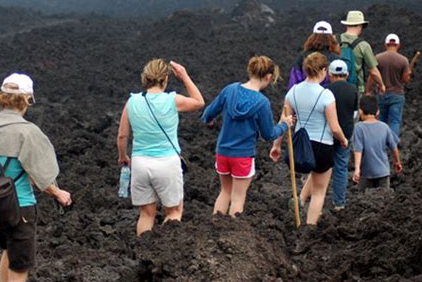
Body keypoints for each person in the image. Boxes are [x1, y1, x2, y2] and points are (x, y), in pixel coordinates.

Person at [0, 73, 71, 282]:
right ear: (27, 100)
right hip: (20, 209)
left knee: (7, 250)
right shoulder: (29, 132)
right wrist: (58, 193)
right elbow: (41, 178)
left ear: (1, 98)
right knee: (19, 273)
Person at [117, 59, 204, 237]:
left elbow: (122, 136)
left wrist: (123, 156)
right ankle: (166, 252)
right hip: (167, 164)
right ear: (165, 78)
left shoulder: (132, 102)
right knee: (173, 212)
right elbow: (199, 102)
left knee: (146, 215)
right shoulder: (173, 100)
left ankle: (144, 252)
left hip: (140, 164)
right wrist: (184, 76)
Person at [201, 56, 294, 217]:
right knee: (238, 198)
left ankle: (215, 226)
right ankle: (234, 235)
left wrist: (209, 120)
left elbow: (207, 115)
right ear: (268, 77)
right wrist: (284, 125)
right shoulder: (262, 103)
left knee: (224, 192)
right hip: (242, 156)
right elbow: (268, 135)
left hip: (222, 152)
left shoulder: (230, 90)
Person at [270, 53, 348, 225]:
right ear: (323, 70)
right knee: (319, 192)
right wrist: (343, 140)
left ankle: (300, 208)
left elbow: (284, 121)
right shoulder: (326, 95)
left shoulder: (293, 92)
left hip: (300, 146)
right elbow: (334, 127)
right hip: (322, 146)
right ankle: (310, 227)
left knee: (312, 179)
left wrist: (276, 145)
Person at [325, 59, 358, 211]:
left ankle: (315, 197)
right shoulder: (353, 90)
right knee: (341, 168)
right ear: (347, 74)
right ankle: (339, 203)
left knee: (322, 167)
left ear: (329, 74)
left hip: (327, 134)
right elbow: (355, 113)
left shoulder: (325, 90)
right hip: (346, 133)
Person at [366, 33, 411, 140]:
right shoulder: (403, 60)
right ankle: (392, 145)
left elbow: (373, 75)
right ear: (398, 45)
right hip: (397, 95)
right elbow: (405, 80)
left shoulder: (378, 58)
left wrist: (367, 91)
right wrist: (408, 74)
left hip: (382, 94)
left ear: (386, 45)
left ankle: (380, 144)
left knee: (381, 120)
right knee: (394, 121)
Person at [353, 95, 402, 191]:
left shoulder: (359, 127)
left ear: (360, 111)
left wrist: (357, 169)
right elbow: (394, 147)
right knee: (385, 199)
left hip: (366, 173)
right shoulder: (384, 127)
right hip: (383, 172)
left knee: (364, 200)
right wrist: (397, 162)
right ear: (378, 112)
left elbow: (358, 149)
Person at [340, 10, 385, 95]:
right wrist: (381, 84)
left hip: (334, 87)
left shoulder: (334, 40)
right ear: (360, 25)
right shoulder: (363, 45)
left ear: (347, 24)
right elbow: (373, 71)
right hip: (355, 88)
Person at [287, 21, 341, 91]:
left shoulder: (302, 57)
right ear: (331, 38)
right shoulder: (335, 59)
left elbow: (293, 83)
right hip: (328, 99)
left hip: (305, 97)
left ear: (313, 37)